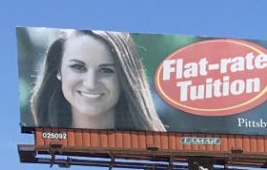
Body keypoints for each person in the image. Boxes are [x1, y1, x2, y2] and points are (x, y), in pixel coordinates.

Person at [28, 29, 166, 131]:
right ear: (58, 69)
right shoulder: (40, 137)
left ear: (124, 78)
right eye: (78, 67)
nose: (91, 83)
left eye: (106, 70)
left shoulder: (154, 147)